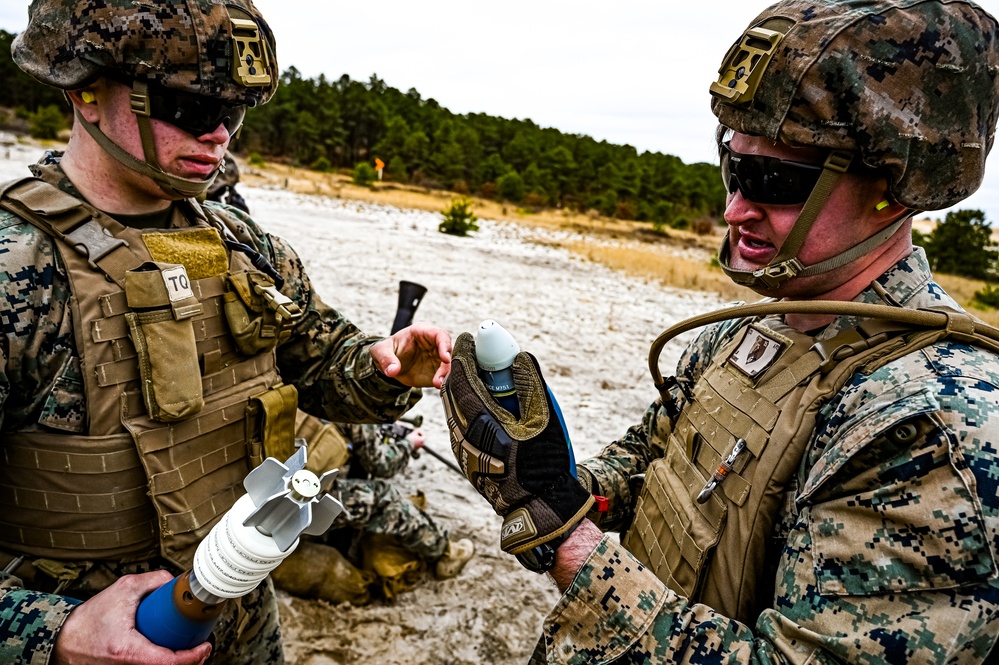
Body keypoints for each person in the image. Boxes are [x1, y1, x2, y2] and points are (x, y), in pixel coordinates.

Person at [441, 0, 999, 662]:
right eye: (734, 167)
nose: (734, 209)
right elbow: (658, 455)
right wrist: (553, 483)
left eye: (773, 180)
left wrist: (566, 539)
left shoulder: (934, 421)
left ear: (895, 190)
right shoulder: (755, 324)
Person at [0, 1, 451, 664]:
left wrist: (385, 366)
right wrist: (50, 634)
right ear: (86, 90)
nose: (218, 135)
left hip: (240, 613)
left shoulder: (239, 241)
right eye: (190, 106)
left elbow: (323, 363)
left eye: (233, 113)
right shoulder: (16, 267)